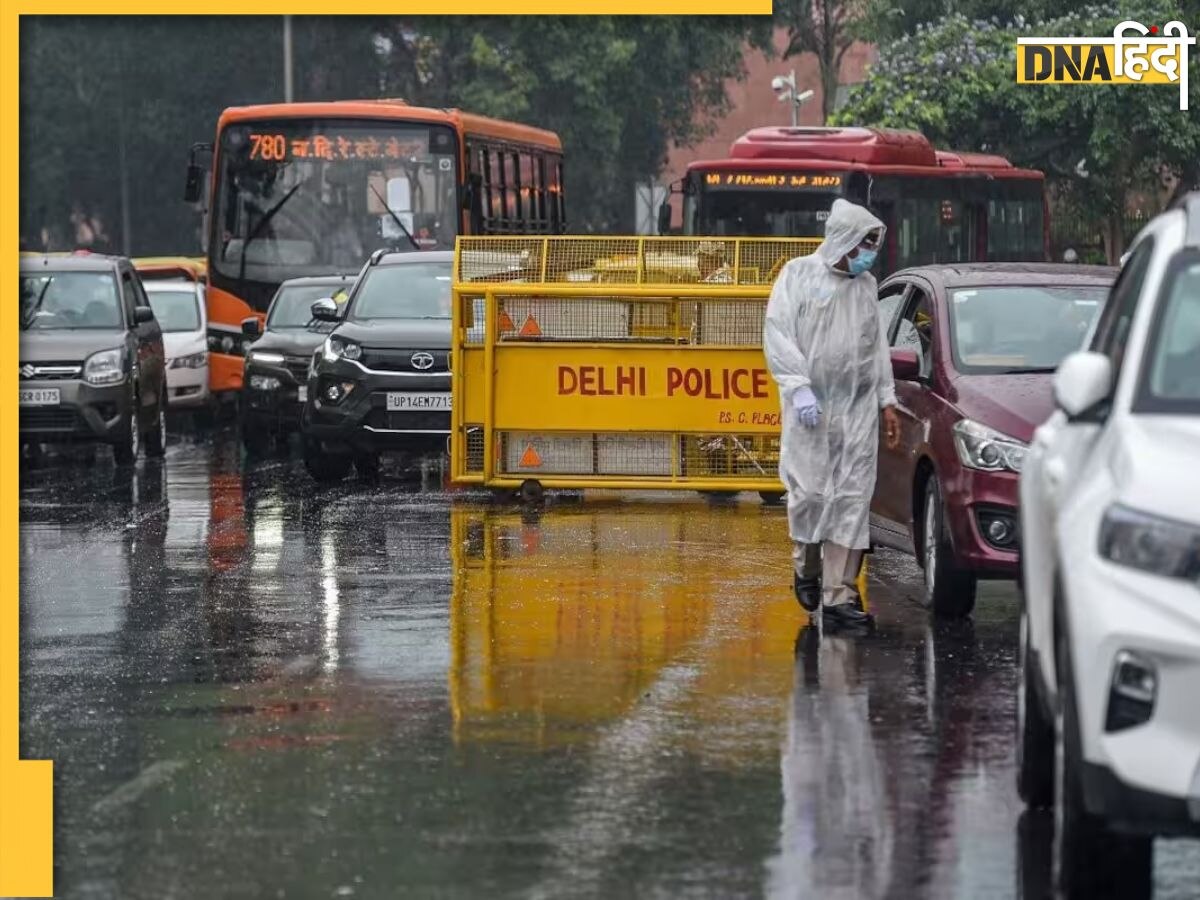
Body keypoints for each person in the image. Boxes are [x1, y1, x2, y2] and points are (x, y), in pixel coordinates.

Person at [764, 199, 901, 628]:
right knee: (810, 495)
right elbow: (778, 333)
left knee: (852, 498)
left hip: (857, 409)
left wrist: (887, 400)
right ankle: (806, 567)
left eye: (873, 246)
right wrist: (798, 388)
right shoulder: (798, 275)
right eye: (865, 244)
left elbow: (876, 348)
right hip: (812, 409)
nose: (869, 253)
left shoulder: (866, 287)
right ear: (843, 240)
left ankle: (840, 595)